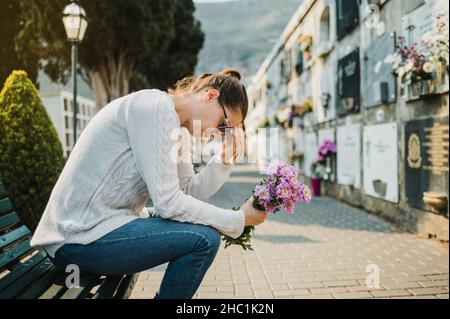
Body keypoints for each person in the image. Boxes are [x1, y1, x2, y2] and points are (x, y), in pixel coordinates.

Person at [30, 69, 269, 299]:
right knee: (204, 239)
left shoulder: (179, 130)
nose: (220, 134)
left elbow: (187, 192)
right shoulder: (154, 108)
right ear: (210, 96)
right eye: (224, 125)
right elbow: (168, 203)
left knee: (200, 228)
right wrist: (238, 220)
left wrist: (224, 160)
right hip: (75, 238)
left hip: (104, 224)